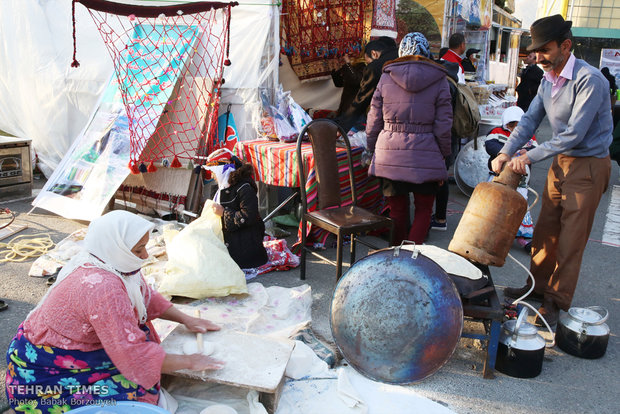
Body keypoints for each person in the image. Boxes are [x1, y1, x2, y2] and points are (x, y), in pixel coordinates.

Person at [5, 211, 223, 413]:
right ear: (116, 247)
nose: (145, 255)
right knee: (136, 394)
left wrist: (186, 320)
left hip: (70, 351)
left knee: (144, 359)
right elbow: (133, 354)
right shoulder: (102, 287)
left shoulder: (108, 261)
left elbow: (145, 295)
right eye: (139, 249)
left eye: (145, 247)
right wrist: (190, 361)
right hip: (43, 373)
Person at [492, 15, 613, 327]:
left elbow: (574, 134)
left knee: (572, 238)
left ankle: (556, 300)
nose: (539, 57)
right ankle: (538, 286)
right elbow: (530, 121)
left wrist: (529, 157)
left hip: (588, 165)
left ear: (566, 46)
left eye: (545, 50)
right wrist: (506, 152)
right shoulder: (547, 79)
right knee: (546, 230)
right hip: (561, 163)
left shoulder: (590, 79)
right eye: (537, 51)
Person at [366, 32, 452, 245]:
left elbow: (374, 118)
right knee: (424, 210)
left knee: (397, 211)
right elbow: (444, 125)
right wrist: (444, 155)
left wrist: (371, 147)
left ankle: (396, 258)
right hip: (427, 154)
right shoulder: (440, 79)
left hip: (390, 154)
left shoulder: (386, 76)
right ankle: (412, 258)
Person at [485, 106, 537, 253]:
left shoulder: (529, 135)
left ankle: (523, 239)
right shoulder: (497, 132)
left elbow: (536, 149)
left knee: (520, 206)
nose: (514, 128)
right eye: (511, 124)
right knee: (495, 205)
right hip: (498, 177)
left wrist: (527, 152)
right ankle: (490, 236)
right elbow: (490, 145)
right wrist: (506, 152)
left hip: (521, 180)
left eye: (517, 125)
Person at [205, 152, 269, 269]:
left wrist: (223, 213)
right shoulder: (220, 188)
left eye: (213, 172)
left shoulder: (244, 188)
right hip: (231, 240)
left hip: (245, 246)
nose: (212, 176)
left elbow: (249, 216)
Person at [336, 37, 399, 132]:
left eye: (368, 62)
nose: (368, 64)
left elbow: (362, 98)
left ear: (374, 54)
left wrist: (342, 127)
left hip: (392, 118)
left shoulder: (375, 67)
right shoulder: (403, 57)